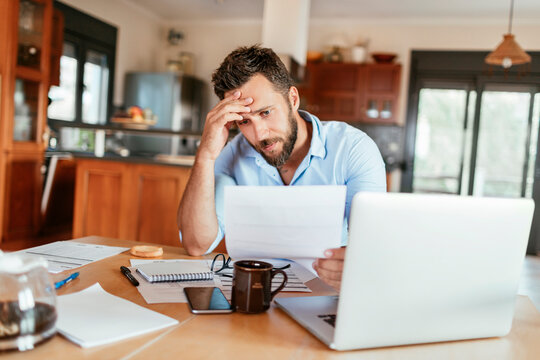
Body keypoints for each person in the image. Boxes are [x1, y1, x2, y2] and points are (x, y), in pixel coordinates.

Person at [177, 45, 386, 290]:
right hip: (254, 294)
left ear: (293, 99)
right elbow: (196, 244)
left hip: (325, 293)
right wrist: (205, 155)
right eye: (244, 121)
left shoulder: (353, 149)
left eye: (265, 112)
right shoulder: (234, 153)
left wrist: (359, 261)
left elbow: (372, 246)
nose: (259, 134)